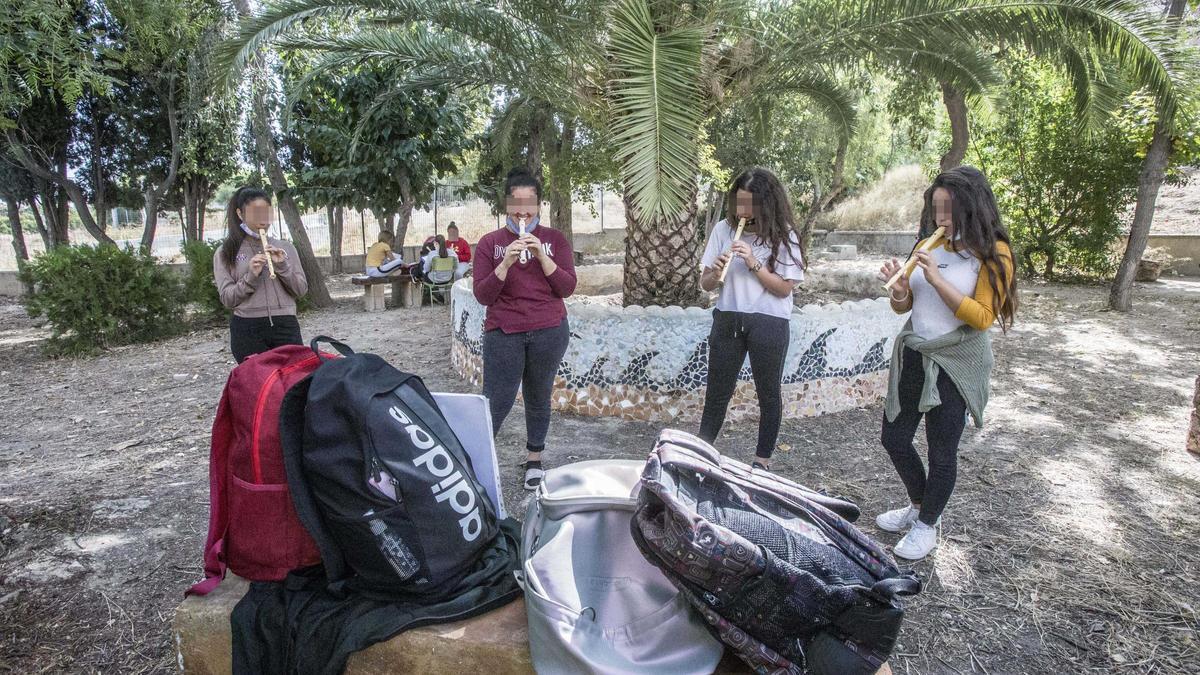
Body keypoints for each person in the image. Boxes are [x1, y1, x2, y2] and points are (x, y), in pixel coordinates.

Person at [875, 165, 1017, 560]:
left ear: (973, 207)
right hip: (917, 355)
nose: (941, 219)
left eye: (949, 210)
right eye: (936, 209)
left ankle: (927, 525)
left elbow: (983, 317)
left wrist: (938, 280)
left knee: (941, 451)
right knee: (894, 438)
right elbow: (904, 305)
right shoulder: (927, 244)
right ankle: (920, 506)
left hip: (957, 363)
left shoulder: (994, 254)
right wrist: (901, 290)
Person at [473, 167, 576, 490]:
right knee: (496, 399)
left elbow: (567, 287)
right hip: (504, 331)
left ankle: (534, 459)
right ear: (506, 205)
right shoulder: (490, 244)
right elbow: (483, 294)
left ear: (538, 205)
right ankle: (475, 461)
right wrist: (504, 264)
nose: (522, 210)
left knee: (538, 395)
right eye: (516, 203)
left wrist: (542, 259)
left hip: (549, 330)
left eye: (529, 203)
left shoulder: (555, 241)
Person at [697, 167, 806, 471]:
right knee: (717, 391)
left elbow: (784, 289)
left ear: (766, 204)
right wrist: (716, 271)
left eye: (750, 205)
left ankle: (762, 463)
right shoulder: (723, 229)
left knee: (768, 393)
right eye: (738, 203)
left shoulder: (784, 234)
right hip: (728, 316)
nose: (742, 211)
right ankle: (700, 454)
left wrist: (754, 263)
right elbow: (706, 284)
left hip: (769, 321)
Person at [213, 187, 308, 363]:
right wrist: (250, 277)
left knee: (292, 382)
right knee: (258, 386)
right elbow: (227, 299)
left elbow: (300, 290)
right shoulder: (226, 252)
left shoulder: (285, 248)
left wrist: (282, 266)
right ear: (240, 214)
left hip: (285, 324)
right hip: (248, 328)